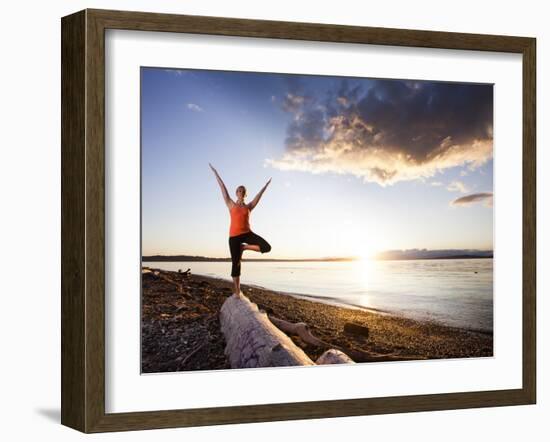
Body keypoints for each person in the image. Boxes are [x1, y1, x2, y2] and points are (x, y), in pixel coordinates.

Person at [209, 163, 272, 297]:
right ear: (236, 193)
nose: (241, 192)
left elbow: (258, 197)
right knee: (235, 265)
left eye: (243, 191)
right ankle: (237, 292)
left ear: (245, 194)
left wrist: (265, 187)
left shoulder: (249, 206)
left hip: (247, 234)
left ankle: (245, 248)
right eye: (239, 190)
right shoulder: (230, 204)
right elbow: (222, 187)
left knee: (266, 247)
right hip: (234, 237)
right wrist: (216, 173)